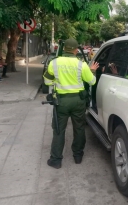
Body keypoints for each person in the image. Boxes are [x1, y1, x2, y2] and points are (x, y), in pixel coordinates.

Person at [43, 38, 99, 169]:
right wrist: (92, 70)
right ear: (75, 50)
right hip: (78, 101)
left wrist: (58, 82)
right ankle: (78, 156)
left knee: (58, 130)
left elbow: (47, 82)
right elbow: (92, 82)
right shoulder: (81, 64)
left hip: (61, 102)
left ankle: (56, 160)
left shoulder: (54, 63)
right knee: (79, 128)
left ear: (64, 49)